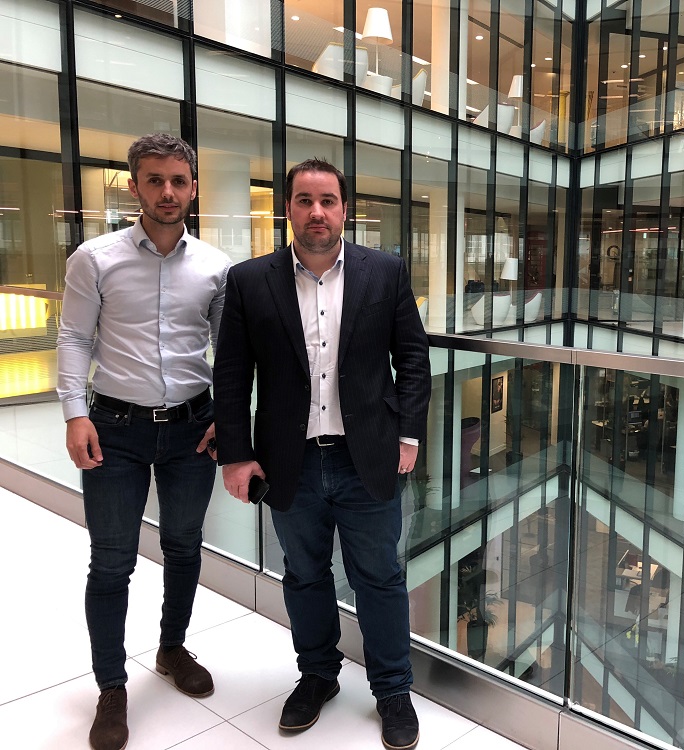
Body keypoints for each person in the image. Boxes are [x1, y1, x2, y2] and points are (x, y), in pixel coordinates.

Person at [212, 159, 431, 750]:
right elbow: (231, 375)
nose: (317, 212)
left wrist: (407, 437)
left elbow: (412, 359)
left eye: (328, 200)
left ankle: (393, 690)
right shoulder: (250, 280)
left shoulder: (383, 272)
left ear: (344, 209)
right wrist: (235, 456)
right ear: (288, 207)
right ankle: (317, 677)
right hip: (291, 461)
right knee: (304, 575)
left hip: (370, 457)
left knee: (379, 578)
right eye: (305, 200)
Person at [57, 133, 230, 750]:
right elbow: (75, 339)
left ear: (192, 187)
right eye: (154, 180)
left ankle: (171, 648)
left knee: (184, 547)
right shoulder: (94, 258)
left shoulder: (214, 267)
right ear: (134, 185)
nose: (167, 192)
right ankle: (110, 686)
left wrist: (229, 419)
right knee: (111, 561)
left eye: (178, 180)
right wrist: (76, 414)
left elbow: (230, 356)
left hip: (192, 430)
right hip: (115, 431)